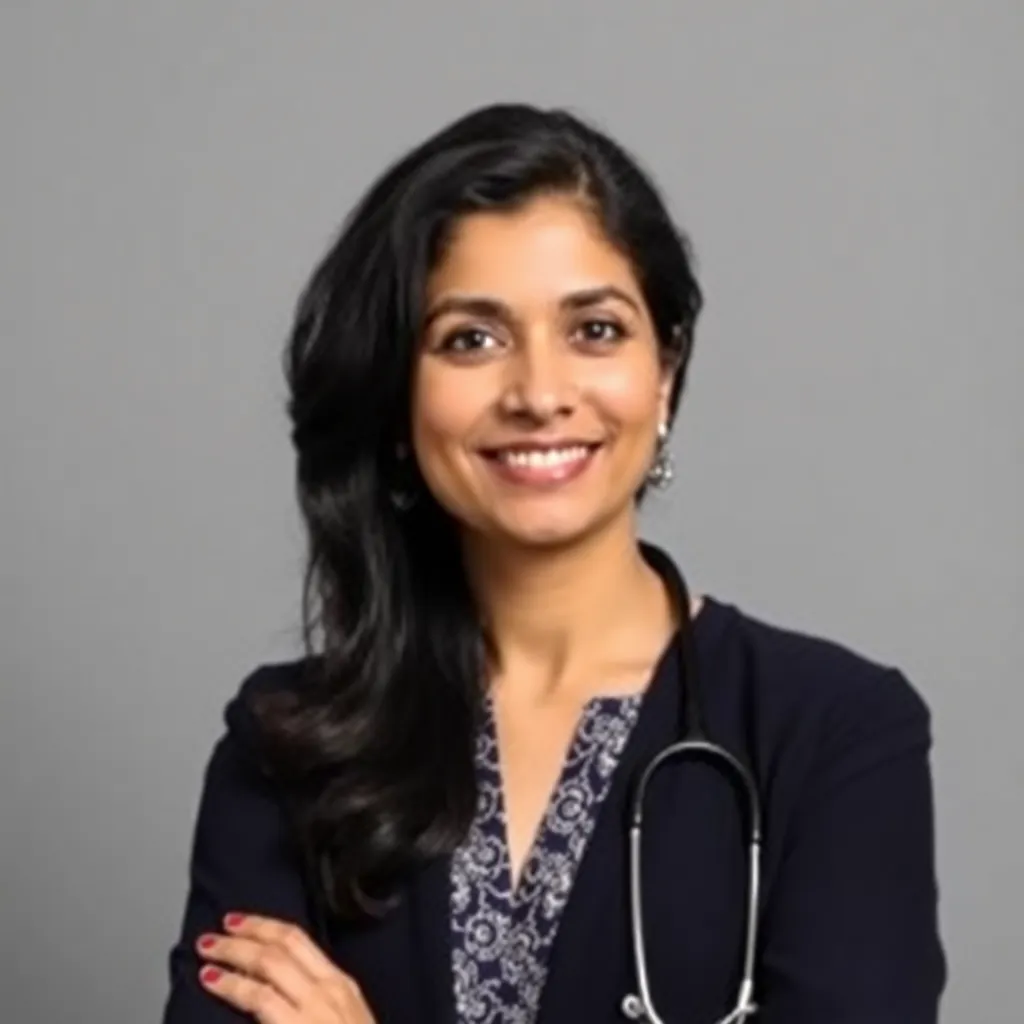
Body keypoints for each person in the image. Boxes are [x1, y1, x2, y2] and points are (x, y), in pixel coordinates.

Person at [161, 103, 946, 1024]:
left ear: (664, 375)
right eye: (471, 339)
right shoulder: (292, 742)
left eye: (596, 330)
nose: (539, 393)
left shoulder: (834, 734)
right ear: (398, 395)